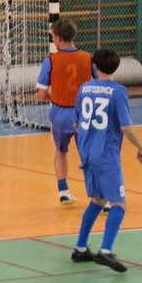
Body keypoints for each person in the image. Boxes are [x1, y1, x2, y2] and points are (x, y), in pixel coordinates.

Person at [70, 49, 142, 273]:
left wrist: (90, 140)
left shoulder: (85, 88)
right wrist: (141, 147)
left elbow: (76, 124)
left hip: (87, 153)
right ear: (117, 66)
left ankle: (80, 248)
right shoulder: (118, 91)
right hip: (106, 155)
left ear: (95, 67)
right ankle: (105, 250)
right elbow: (126, 127)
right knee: (119, 205)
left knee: (97, 200)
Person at [36, 18, 97, 206]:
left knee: (61, 151)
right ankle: (100, 196)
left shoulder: (50, 61)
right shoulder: (89, 58)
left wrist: (57, 96)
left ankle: (64, 191)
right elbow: (100, 84)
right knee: (90, 155)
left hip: (60, 114)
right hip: (84, 113)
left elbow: (42, 94)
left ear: (58, 38)